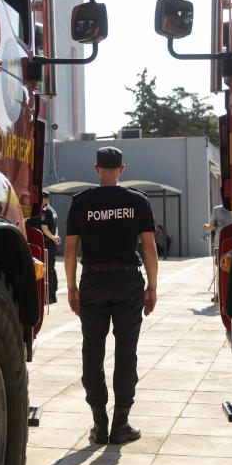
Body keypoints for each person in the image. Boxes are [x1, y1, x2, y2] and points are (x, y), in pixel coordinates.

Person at [64, 146, 158, 445]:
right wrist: (152, 287)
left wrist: (71, 287)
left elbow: (69, 249)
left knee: (92, 350)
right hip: (128, 280)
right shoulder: (137, 201)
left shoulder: (81, 203)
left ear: (96, 169)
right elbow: (149, 248)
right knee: (125, 352)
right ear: (121, 169)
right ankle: (121, 424)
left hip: (93, 280)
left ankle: (99, 423)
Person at [39, 190, 61, 303]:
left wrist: (52, 237)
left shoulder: (44, 211)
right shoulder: (53, 210)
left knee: (47, 269)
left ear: (43, 198)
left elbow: (44, 228)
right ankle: (53, 294)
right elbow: (56, 227)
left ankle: (49, 296)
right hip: (52, 244)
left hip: (47, 242)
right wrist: (56, 237)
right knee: (51, 267)